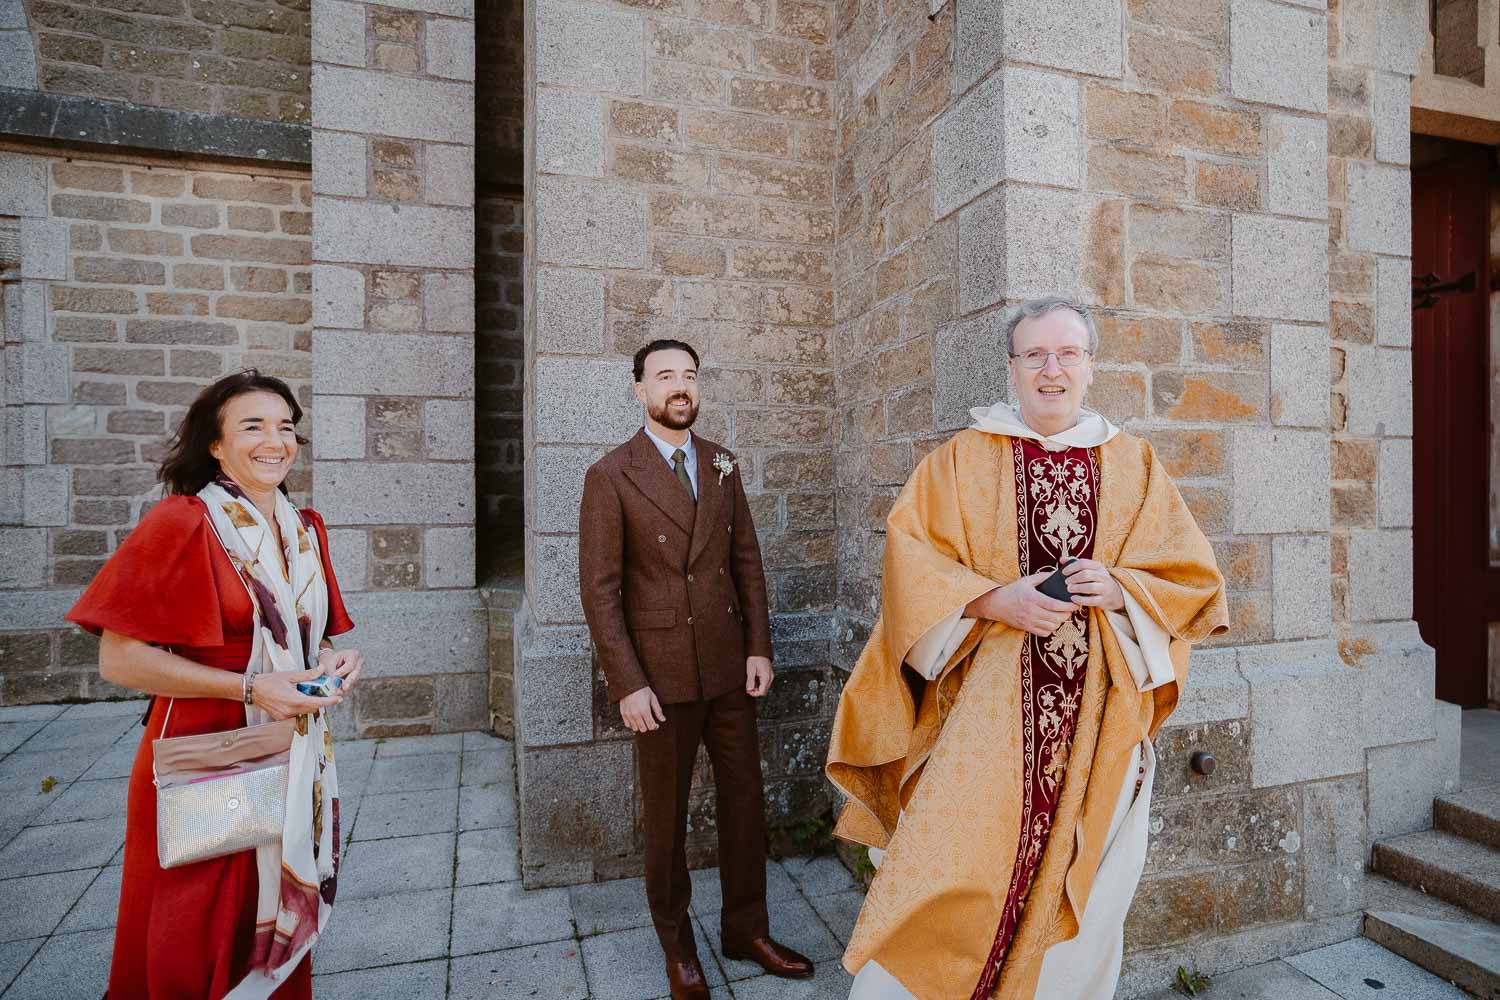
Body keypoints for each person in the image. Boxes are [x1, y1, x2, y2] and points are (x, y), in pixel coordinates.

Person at [826, 298, 1229, 1000]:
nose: (1052, 369)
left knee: (1088, 907)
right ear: (1011, 369)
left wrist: (1122, 588)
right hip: (985, 724)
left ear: (1090, 366)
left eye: (1068, 353)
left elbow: (1192, 580)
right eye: (1035, 355)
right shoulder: (962, 460)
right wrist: (989, 600)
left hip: (1101, 729)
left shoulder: (1133, 465)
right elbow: (910, 565)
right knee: (947, 872)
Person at [66, 369, 363, 999]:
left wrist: (332, 663)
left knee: (269, 905)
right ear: (216, 445)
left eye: (285, 426)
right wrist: (255, 690)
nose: (274, 440)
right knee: (195, 921)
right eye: (252, 426)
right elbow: (119, 661)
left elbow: (318, 638)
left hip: (289, 744)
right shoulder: (183, 522)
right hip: (205, 746)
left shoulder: (305, 528)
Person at [578, 339, 814, 1000]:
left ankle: (746, 930)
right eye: (665, 377)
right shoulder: (610, 474)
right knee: (668, 816)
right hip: (658, 679)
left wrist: (759, 647)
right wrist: (626, 682)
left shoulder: (721, 464)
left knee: (744, 802)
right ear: (639, 389)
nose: (680, 387)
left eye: (689, 376)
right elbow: (599, 592)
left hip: (727, 668)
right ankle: (678, 948)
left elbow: (746, 561)